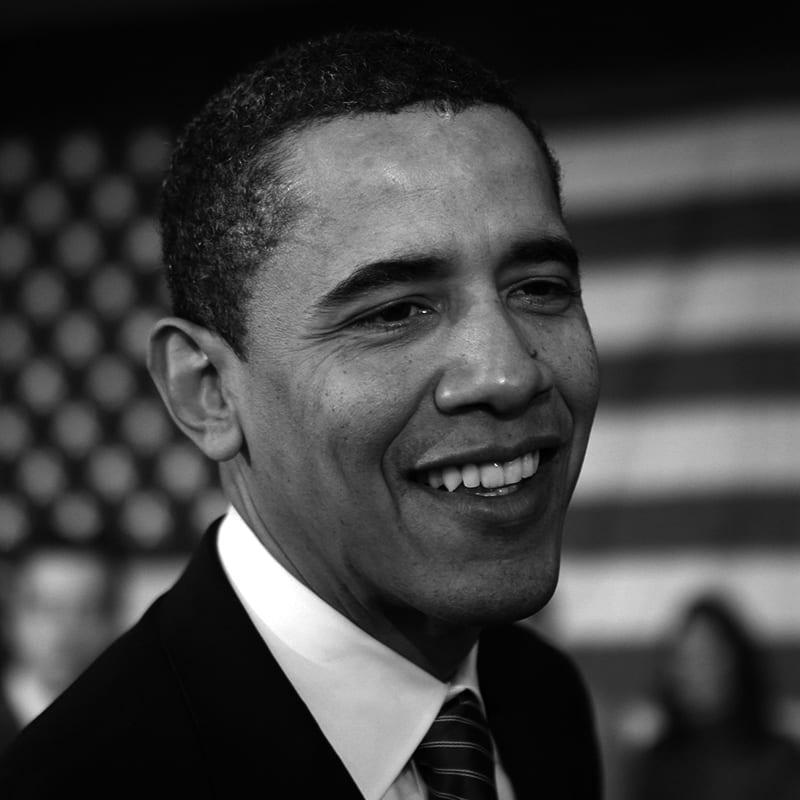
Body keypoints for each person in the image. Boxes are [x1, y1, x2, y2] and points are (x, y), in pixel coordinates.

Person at [0, 28, 602, 798]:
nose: (509, 373)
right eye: (395, 311)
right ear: (207, 392)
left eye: (540, 288)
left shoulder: (540, 696)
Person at [624, 592, 800, 800]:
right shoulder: (657, 764)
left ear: (736, 662)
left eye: (705, 658)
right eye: (683, 659)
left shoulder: (776, 760)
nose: (691, 672)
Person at [0, 540, 120, 753]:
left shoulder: (135, 721)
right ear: (10, 615)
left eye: (87, 610)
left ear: (112, 621)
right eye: (48, 607)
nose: (66, 628)